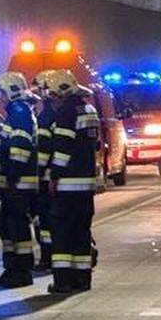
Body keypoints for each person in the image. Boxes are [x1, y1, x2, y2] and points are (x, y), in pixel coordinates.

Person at [44, 69, 100, 294]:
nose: (53, 100)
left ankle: (63, 281)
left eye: (54, 95)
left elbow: (63, 150)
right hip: (86, 184)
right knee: (81, 232)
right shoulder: (89, 109)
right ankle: (82, 279)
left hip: (67, 185)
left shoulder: (66, 113)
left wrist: (54, 176)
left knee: (63, 236)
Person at [0, 71, 38, 288]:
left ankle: (21, 271)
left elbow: (20, 150)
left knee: (17, 228)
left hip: (17, 183)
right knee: (8, 227)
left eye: (2, 92)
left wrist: (10, 176)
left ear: (11, 91)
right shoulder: (17, 112)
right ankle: (13, 268)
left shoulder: (19, 112)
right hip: (13, 182)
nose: (0, 98)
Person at [32, 70, 57, 272]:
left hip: (48, 181)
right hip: (60, 179)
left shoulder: (46, 117)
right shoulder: (63, 112)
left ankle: (48, 257)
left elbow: (43, 154)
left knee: (46, 222)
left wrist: (36, 174)